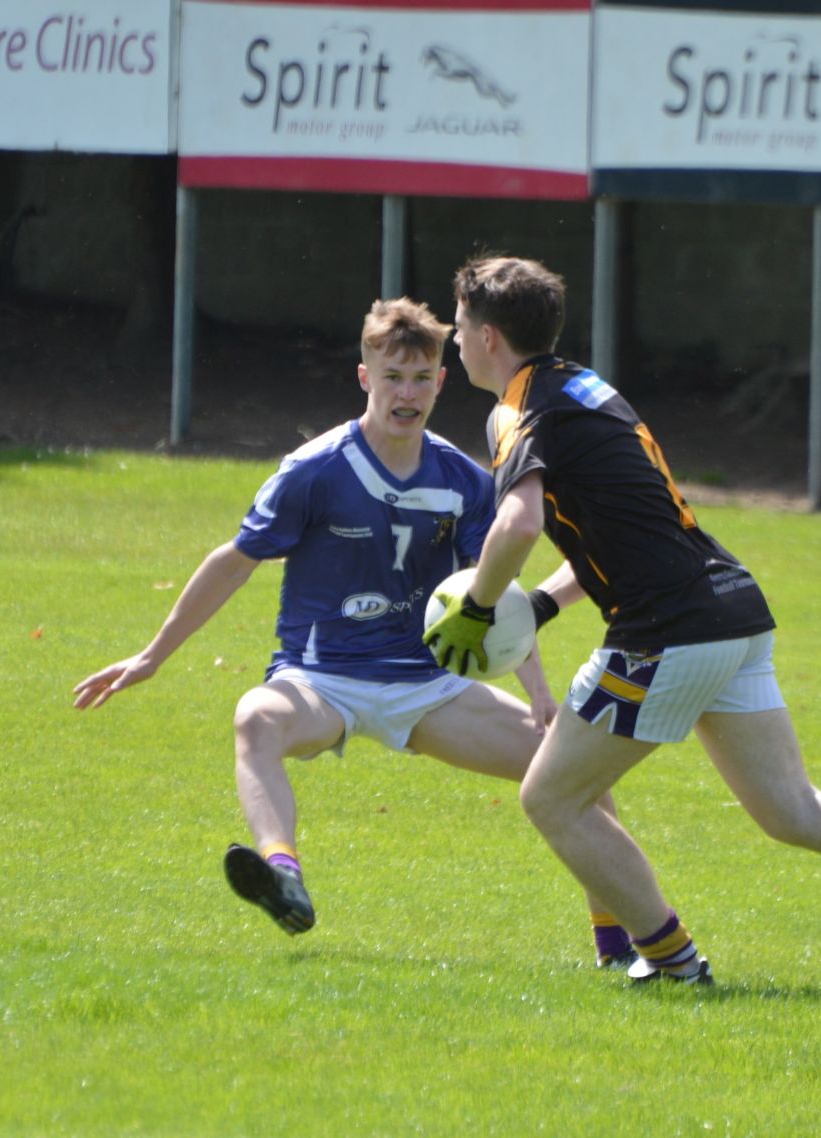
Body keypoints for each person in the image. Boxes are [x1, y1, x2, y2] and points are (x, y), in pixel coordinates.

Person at [425, 255, 821, 993]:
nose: (454, 342)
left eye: (459, 328)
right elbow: (631, 525)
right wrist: (544, 606)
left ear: (490, 336)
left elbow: (519, 523)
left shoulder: (516, 408)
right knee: (791, 808)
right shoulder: (589, 388)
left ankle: (675, 961)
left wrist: (483, 606)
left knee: (550, 797)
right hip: (732, 608)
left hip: (667, 632)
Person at [73, 296, 635, 967]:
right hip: (320, 682)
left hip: (428, 688)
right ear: (364, 377)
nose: (407, 393)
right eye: (392, 376)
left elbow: (496, 597)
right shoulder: (315, 468)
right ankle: (283, 874)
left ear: (440, 382)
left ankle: (618, 942)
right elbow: (234, 563)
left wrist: (540, 693)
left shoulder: (463, 480)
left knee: (573, 768)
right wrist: (153, 655)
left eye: (421, 378)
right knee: (255, 718)